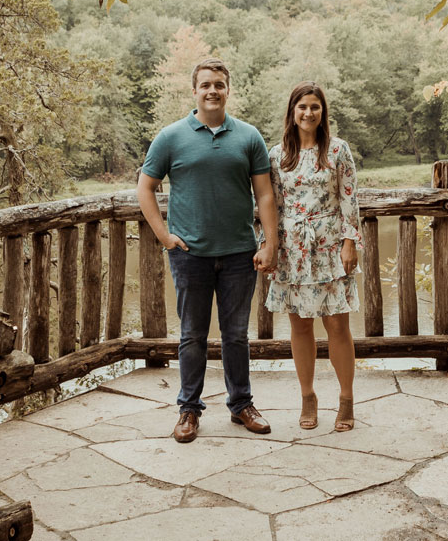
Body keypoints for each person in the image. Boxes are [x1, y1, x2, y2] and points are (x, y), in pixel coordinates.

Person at [137, 57, 279, 444]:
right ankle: (188, 410)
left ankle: (241, 406)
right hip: (189, 254)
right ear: (195, 91)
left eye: (219, 84)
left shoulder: (248, 137)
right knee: (191, 335)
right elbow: (145, 187)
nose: (212, 91)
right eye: (205, 85)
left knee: (236, 335)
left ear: (228, 89)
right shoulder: (170, 137)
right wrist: (165, 236)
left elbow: (264, 194)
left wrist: (269, 241)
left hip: (239, 254)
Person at [265, 81, 360, 432]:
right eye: (303, 107)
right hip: (293, 248)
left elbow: (350, 198)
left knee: (337, 324)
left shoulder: (337, 150)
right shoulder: (277, 155)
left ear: (323, 113)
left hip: (330, 244)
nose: (308, 113)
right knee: (300, 325)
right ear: (293, 111)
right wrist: (270, 245)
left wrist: (350, 242)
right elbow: (270, 205)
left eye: (315, 107)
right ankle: (308, 396)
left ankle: (346, 399)